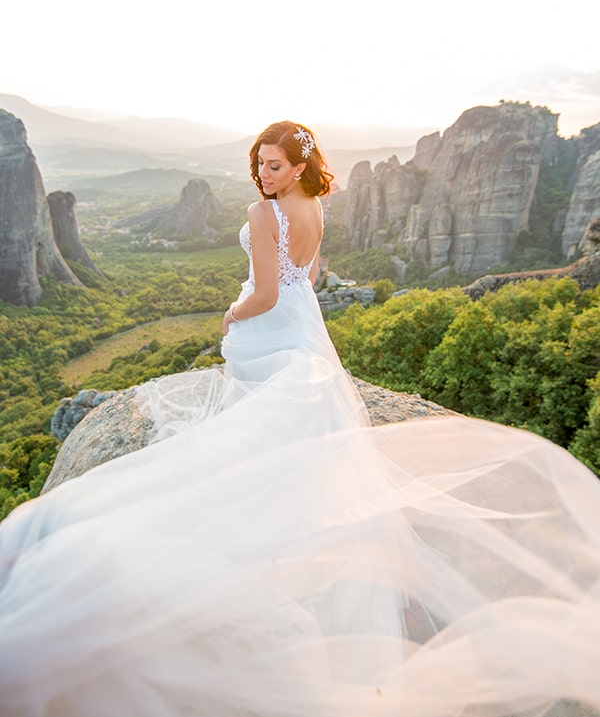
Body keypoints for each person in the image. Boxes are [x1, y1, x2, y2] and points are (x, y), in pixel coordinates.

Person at [1, 120, 600, 717]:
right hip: (302, 323)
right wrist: (276, 297)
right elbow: (305, 276)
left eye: (275, 166)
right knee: (292, 417)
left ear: (299, 166)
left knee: (252, 414)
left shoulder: (266, 215)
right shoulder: (316, 204)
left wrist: (232, 315)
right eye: (259, 164)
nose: (264, 175)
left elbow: (264, 293)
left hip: (270, 324)